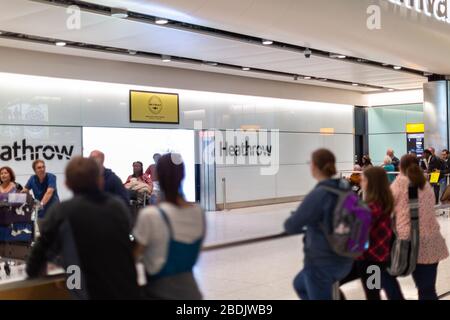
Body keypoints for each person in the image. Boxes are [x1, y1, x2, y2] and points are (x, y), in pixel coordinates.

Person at [26, 156, 141, 300]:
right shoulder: (118, 207)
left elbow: (37, 258)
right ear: (100, 180)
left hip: (88, 292)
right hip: (127, 290)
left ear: (67, 184)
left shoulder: (62, 211)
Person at [133, 153, 205, 300]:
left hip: (160, 293)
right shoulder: (198, 213)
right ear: (183, 175)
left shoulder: (151, 215)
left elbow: (134, 257)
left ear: (158, 176)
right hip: (192, 293)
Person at [284, 149, 353, 300]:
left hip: (322, 263)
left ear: (314, 166)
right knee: (299, 284)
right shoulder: (346, 190)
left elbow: (291, 225)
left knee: (312, 287)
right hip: (346, 258)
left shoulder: (319, 194)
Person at [339, 167, 404, 300]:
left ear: (371, 183)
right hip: (375, 258)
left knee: (372, 294)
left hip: (370, 260)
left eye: (364, 179)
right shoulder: (384, 203)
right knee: (373, 293)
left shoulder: (372, 207)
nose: (361, 182)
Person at [390, 154, 449, 300]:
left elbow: (387, 209)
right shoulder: (425, 184)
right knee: (428, 290)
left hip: (410, 243)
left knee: (385, 279)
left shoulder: (399, 183)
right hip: (432, 242)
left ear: (400, 167)